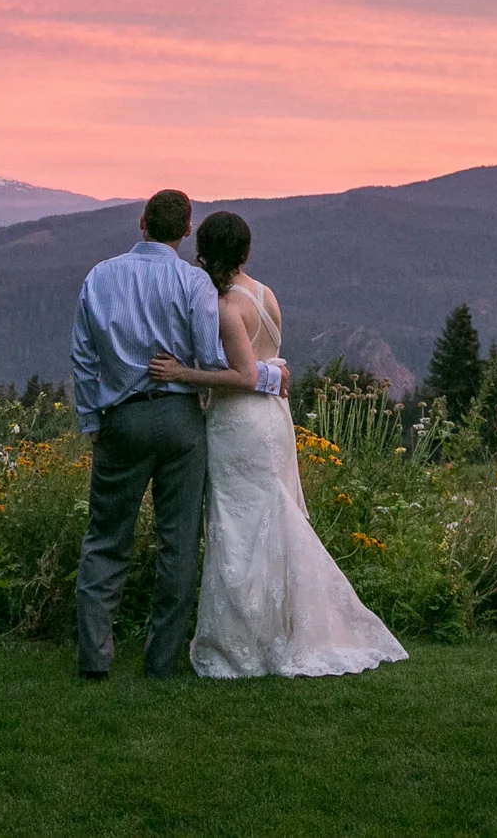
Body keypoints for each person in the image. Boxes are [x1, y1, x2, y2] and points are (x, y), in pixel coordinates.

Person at [148, 210, 409, 678]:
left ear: (203, 252)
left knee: (239, 526)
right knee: (269, 518)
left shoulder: (226, 307)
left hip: (239, 423)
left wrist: (181, 373)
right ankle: (281, 629)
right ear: (244, 251)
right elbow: (269, 362)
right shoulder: (265, 293)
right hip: (272, 418)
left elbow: (244, 375)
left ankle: (245, 642)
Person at [69, 188, 270, 678]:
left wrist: (91, 421)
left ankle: (94, 657)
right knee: (178, 543)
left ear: (142, 222)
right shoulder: (193, 282)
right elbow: (212, 359)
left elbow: (83, 358)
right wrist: (267, 374)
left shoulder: (100, 276)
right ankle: (161, 661)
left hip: (121, 419)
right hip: (181, 422)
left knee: (106, 539)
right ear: (186, 230)